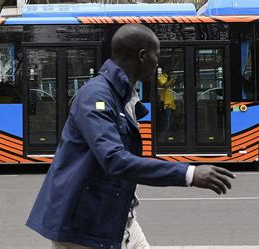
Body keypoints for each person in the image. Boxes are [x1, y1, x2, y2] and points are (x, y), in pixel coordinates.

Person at [26, 24, 235, 249]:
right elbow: (114, 160)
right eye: (157, 55)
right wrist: (189, 174)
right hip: (84, 226)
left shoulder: (122, 97)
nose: (158, 63)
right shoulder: (96, 96)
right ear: (143, 56)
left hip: (116, 217)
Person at [157, 66, 177, 133]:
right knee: (166, 124)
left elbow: (171, 85)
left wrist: (174, 80)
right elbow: (165, 85)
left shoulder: (166, 76)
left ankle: (168, 137)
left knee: (171, 124)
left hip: (171, 103)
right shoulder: (160, 76)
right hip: (165, 103)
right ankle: (163, 139)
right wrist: (171, 79)